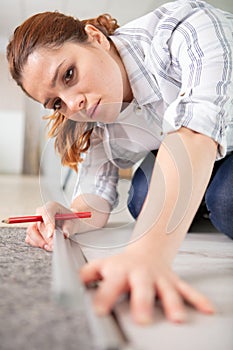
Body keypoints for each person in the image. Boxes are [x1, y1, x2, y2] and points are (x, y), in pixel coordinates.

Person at [7, 0, 233, 324]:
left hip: (211, 138)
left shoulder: (185, 29)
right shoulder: (96, 117)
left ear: (95, 37)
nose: (74, 105)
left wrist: (147, 254)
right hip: (204, 156)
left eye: (69, 74)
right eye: (57, 103)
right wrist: (68, 216)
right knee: (142, 199)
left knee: (225, 199)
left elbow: (193, 136)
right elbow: (95, 199)